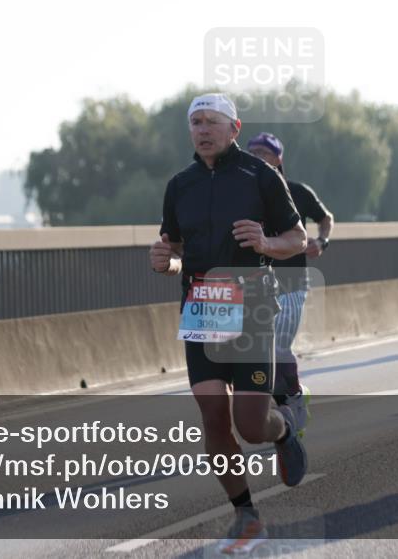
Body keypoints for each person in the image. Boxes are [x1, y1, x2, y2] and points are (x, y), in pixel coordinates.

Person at [149, 94, 308, 554]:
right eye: (195, 122)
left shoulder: (261, 176)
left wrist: (266, 242)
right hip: (201, 310)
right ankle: (246, 515)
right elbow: (176, 250)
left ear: (234, 128)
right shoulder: (180, 185)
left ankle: (284, 429)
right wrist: (166, 262)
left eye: (212, 122)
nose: (202, 130)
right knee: (214, 418)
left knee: (252, 425)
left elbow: (298, 238)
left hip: (253, 308)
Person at [246, 132, 334, 437]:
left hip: (292, 282)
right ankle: (287, 400)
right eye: (252, 152)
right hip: (254, 284)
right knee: (256, 353)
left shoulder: (297, 191)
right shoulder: (243, 193)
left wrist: (322, 241)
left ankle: (292, 400)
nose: (256, 157)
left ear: (278, 158)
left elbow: (325, 218)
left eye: (263, 152)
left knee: (277, 347)